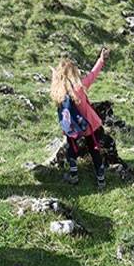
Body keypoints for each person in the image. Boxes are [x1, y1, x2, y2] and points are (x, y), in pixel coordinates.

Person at [50, 48, 110, 188]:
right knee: (94, 150)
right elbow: (93, 74)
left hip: (72, 127)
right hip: (90, 125)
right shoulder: (80, 88)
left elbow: (55, 85)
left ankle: (74, 176)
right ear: (74, 73)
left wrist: (54, 75)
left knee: (71, 149)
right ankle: (101, 180)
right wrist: (101, 60)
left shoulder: (59, 92)